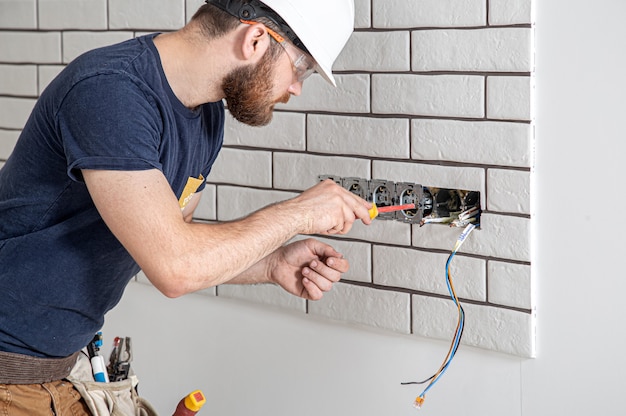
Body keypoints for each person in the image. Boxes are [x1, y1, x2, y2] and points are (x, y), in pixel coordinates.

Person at [0, 0, 371, 413]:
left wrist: (271, 264)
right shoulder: (111, 92)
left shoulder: (206, 116)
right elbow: (174, 267)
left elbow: (173, 238)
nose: (297, 87)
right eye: (301, 68)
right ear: (255, 39)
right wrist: (300, 212)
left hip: (62, 368)